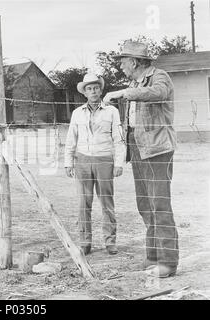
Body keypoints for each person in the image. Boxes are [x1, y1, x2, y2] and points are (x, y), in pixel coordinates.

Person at [103, 40, 178, 278]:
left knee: (160, 205)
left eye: (123, 61)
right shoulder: (134, 82)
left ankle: (167, 262)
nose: (121, 66)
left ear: (134, 62)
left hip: (157, 149)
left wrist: (124, 93)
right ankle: (153, 256)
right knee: (145, 204)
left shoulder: (159, 77)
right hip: (137, 148)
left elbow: (158, 93)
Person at [64, 73, 126, 256]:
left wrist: (118, 163)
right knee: (84, 202)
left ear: (101, 90)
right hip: (83, 160)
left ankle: (110, 241)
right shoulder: (77, 113)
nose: (93, 91)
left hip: (104, 159)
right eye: (89, 89)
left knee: (107, 202)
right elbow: (70, 140)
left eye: (96, 88)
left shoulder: (111, 111)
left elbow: (118, 139)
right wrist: (68, 163)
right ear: (84, 92)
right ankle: (85, 242)